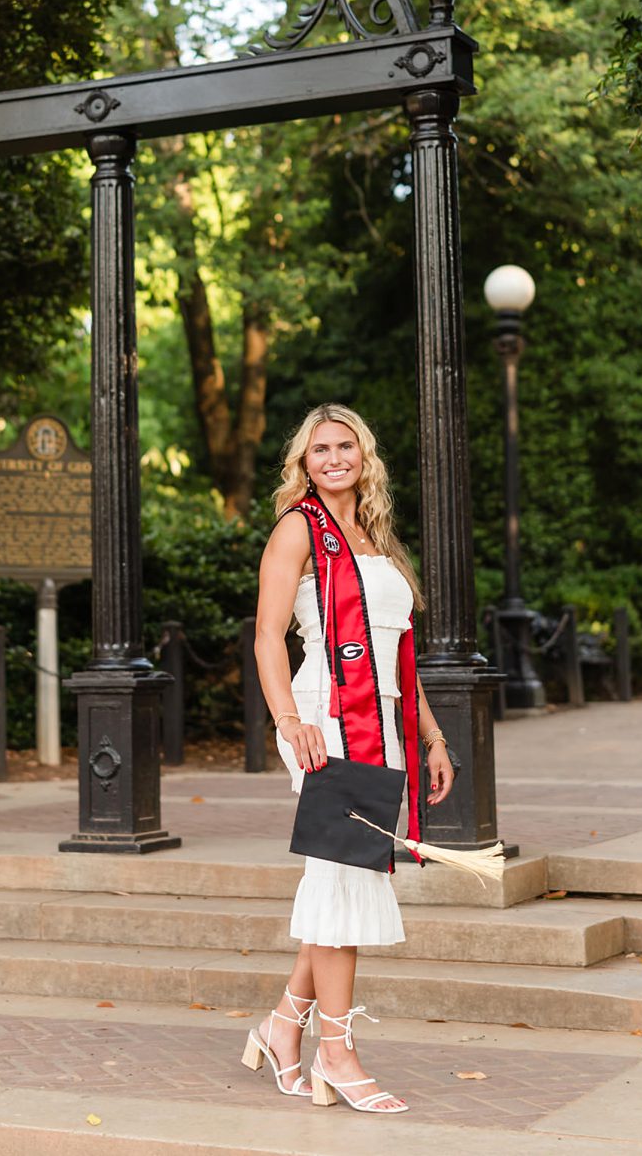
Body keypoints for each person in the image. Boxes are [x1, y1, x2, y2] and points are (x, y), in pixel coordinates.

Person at [237, 404, 454, 1114]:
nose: (333, 457)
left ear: (364, 454)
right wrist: (289, 718)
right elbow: (269, 636)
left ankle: (280, 1027)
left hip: (381, 724)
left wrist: (432, 736)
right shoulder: (298, 529)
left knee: (345, 873)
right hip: (324, 720)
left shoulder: (377, 538)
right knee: (340, 875)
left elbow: (397, 654)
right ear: (303, 462)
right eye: (319, 448)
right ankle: (337, 1052)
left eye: (345, 445)